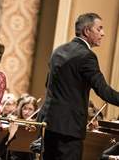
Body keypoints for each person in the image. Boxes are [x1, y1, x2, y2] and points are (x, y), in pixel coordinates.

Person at [37, 12, 119, 160]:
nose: (103, 33)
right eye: (99, 28)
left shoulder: (58, 51)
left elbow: (48, 84)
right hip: (69, 129)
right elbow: (103, 90)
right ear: (87, 31)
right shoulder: (86, 56)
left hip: (49, 124)